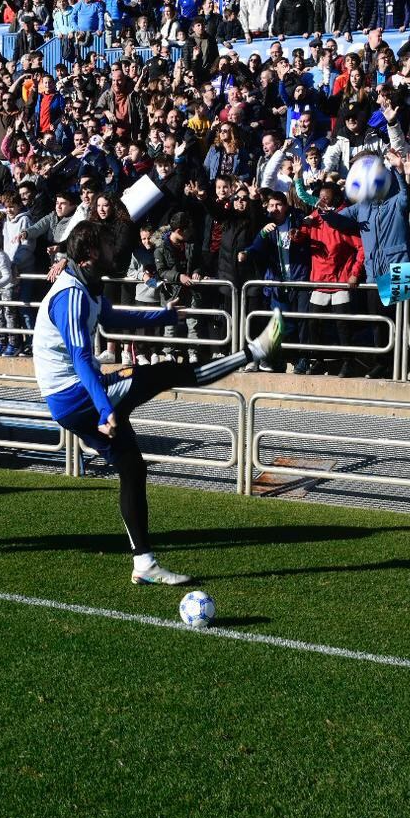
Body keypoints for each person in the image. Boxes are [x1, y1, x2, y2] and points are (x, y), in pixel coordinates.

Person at [33, 220, 284, 586]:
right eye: (106, 245)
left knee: (133, 469)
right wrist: (104, 409)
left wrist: (162, 315)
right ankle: (254, 351)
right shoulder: (69, 294)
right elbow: (81, 358)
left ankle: (144, 563)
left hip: (80, 396)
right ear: (88, 256)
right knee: (166, 372)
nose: (114, 251)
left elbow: (114, 317)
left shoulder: (87, 286)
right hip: (75, 396)